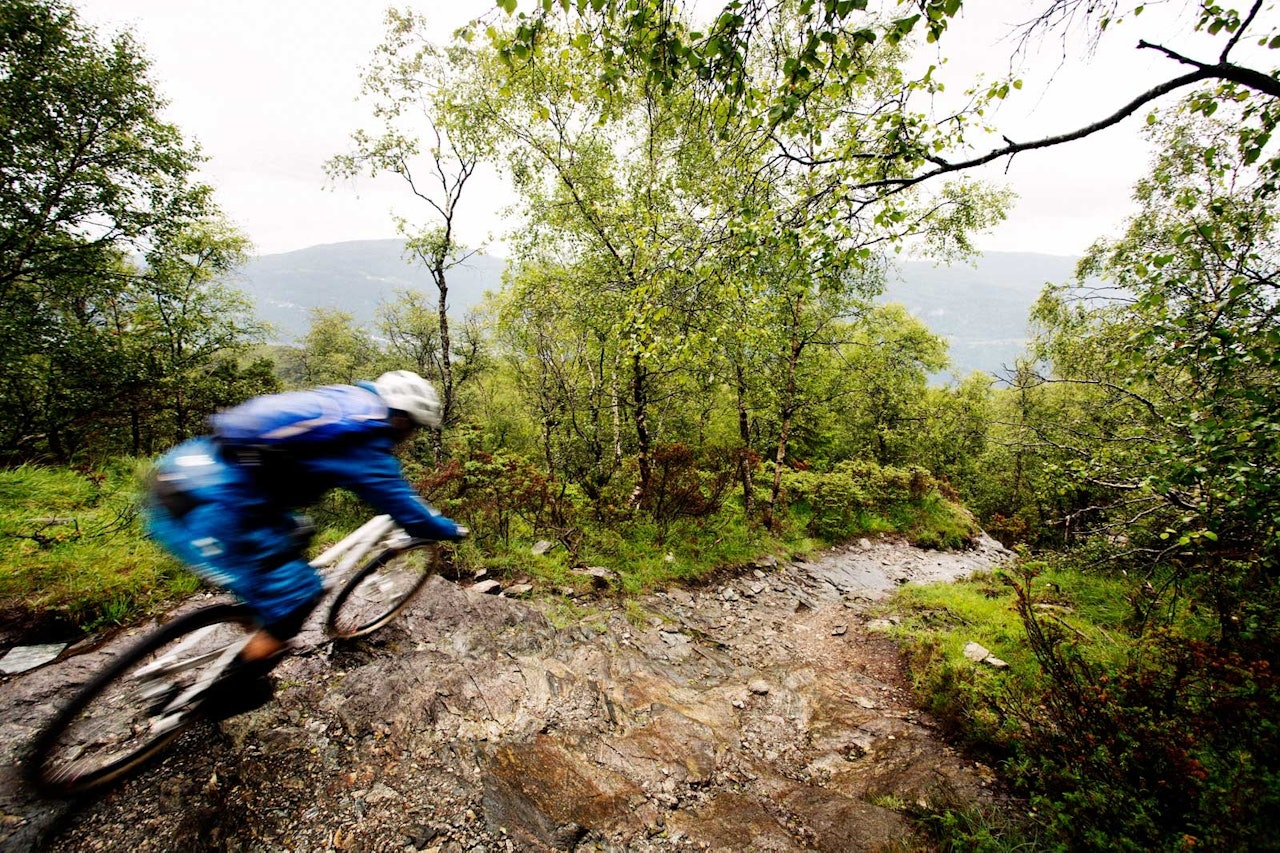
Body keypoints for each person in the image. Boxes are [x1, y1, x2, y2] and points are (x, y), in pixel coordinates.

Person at [144, 370, 467, 716]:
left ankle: (252, 617)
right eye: (412, 427)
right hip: (216, 510)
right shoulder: (364, 440)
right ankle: (218, 697)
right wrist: (447, 529)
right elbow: (407, 509)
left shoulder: (344, 400)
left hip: (183, 471)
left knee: (298, 532)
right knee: (301, 596)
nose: (409, 436)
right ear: (401, 419)